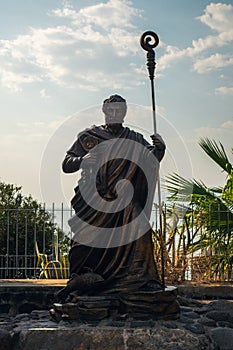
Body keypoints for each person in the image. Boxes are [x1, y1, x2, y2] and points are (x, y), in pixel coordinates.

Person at [58, 94, 166, 302]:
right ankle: (80, 278)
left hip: (124, 199)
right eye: (112, 110)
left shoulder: (134, 139)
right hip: (93, 200)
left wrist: (160, 150)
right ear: (104, 111)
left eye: (119, 111)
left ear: (124, 113)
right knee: (86, 240)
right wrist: (83, 160)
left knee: (140, 227)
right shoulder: (89, 136)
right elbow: (66, 164)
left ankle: (143, 278)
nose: (115, 114)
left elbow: (149, 160)